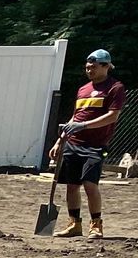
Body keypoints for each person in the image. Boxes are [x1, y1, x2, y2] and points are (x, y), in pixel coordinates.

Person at [49, 49, 125, 237]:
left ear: (106, 66)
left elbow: (112, 116)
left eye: (93, 67)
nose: (89, 70)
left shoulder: (115, 88)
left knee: (90, 184)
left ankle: (96, 224)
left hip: (95, 146)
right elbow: (75, 116)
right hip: (72, 143)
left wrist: (84, 125)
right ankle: (74, 224)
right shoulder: (83, 89)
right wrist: (60, 141)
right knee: (71, 186)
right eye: (87, 67)